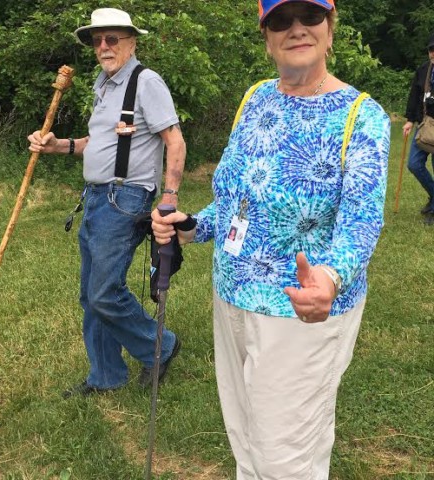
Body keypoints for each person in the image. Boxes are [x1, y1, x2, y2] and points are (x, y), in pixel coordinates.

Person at [152, 0, 390, 478]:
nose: (297, 28)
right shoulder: (257, 96)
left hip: (298, 312)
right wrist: (194, 225)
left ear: (330, 27)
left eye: (311, 16)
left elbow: (360, 222)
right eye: (281, 20)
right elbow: (236, 198)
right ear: (266, 35)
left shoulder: (361, 116)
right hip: (233, 295)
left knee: (286, 456)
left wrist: (329, 276)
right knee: (247, 439)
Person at [28, 8, 186, 398]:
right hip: (96, 197)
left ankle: (160, 346)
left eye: (112, 39)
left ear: (131, 42)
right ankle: (106, 376)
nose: (103, 46)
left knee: (104, 291)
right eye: (97, 40)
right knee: (90, 294)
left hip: (126, 197)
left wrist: (169, 198)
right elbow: (96, 143)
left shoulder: (146, 82)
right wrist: (59, 145)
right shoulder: (104, 83)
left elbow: (175, 141)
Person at [403, 32, 434, 226]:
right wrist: (409, 120)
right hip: (424, 124)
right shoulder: (423, 70)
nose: (433, 53)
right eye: (431, 49)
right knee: (414, 164)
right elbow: (414, 95)